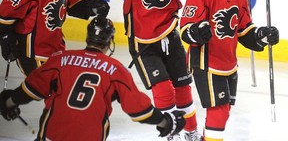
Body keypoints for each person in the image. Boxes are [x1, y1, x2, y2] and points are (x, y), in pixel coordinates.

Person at [64, 0, 257, 141]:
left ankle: (190, 131)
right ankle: (171, 133)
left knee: (183, 89)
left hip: (170, 37)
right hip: (143, 43)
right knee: (164, 90)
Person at [0, 17, 186, 141]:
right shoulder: (115, 70)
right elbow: (139, 111)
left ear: (87, 37)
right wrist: (166, 122)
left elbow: (31, 90)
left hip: (51, 136)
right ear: (110, 41)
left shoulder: (60, 59)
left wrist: (8, 102)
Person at [179, 0, 279, 141]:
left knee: (223, 110)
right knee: (219, 110)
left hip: (228, 63)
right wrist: (197, 31)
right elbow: (185, 28)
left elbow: (244, 30)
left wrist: (262, 36)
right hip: (205, 61)